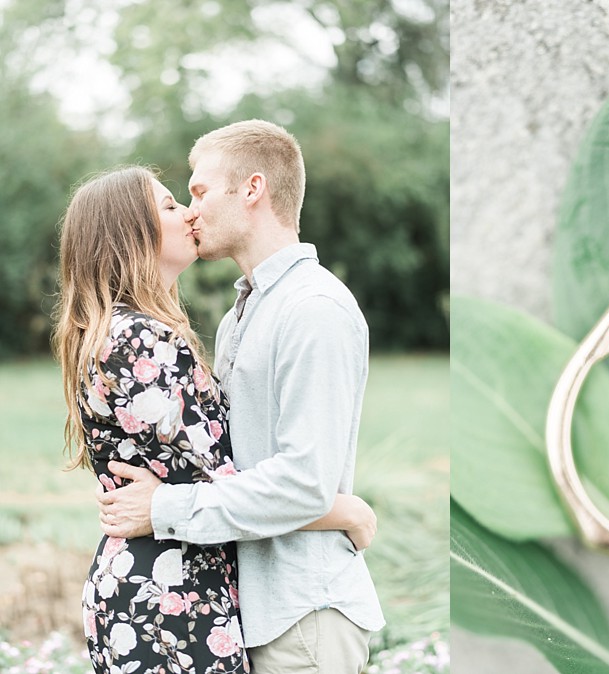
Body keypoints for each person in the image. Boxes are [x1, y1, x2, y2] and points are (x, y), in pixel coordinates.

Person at [53, 166, 376, 674]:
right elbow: (215, 476)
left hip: (170, 585)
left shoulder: (131, 331)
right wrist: (343, 512)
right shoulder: (139, 340)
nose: (188, 212)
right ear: (128, 232)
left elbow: (195, 479)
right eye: (169, 205)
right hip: (168, 594)